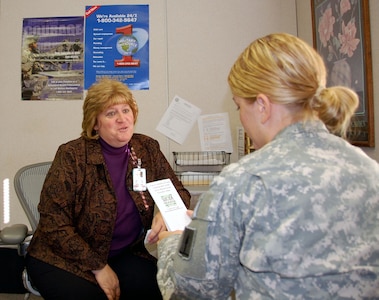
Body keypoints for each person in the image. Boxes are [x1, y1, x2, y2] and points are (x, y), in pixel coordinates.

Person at [156, 33, 379, 299]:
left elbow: (195, 287)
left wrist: (170, 242)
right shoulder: (369, 171)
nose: (241, 118)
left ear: (262, 105)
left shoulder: (242, 180)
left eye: (239, 106)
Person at [25, 78, 191, 300]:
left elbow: (179, 192)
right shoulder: (71, 155)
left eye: (126, 110)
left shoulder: (146, 148)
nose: (122, 119)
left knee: (161, 288)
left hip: (124, 252)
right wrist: (99, 267)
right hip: (63, 257)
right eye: (111, 113)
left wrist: (163, 210)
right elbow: (53, 223)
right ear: (95, 122)